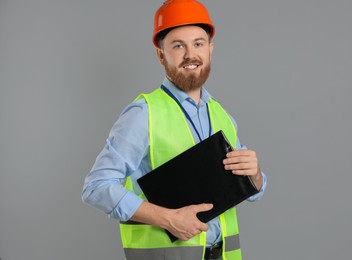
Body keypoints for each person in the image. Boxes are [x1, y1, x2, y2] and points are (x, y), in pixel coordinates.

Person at [82, 0, 267, 259]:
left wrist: (256, 175)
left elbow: (255, 191)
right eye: (178, 45)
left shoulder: (223, 115)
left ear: (210, 50)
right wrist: (168, 219)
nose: (190, 54)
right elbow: (96, 187)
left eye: (198, 44)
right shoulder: (143, 113)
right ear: (161, 55)